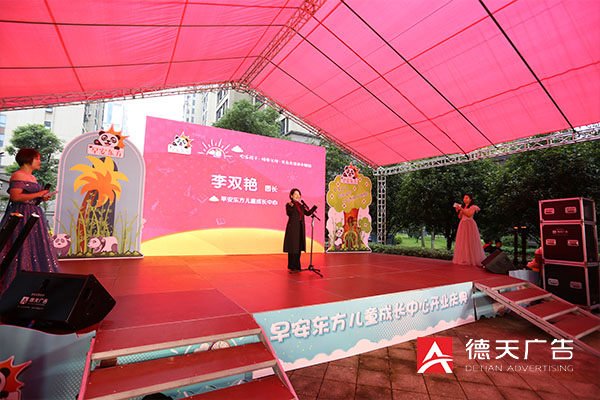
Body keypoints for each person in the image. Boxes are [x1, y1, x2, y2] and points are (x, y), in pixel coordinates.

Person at [0, 148, 59, 296]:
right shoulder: (18, 175)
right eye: (37, 158)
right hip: (21, 215)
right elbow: (15, 197)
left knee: (34, 247)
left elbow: (31, 198)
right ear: (28, 159)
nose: (39, 161)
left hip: (33, 213)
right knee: (20, 246)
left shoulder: (33, 178)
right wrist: (39, 193)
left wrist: (42, 198)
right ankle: (15, 284)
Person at [283, 188, 317, 272]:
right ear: (291, 196)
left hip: (300, 228)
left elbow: (308, 213)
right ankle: (291, 266)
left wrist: (315, 206)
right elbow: (289, 213)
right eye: (296, 194)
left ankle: (297, 265)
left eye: (299, 194)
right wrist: (292, 206)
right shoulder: (289, 204)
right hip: (292, 229)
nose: (298, 196)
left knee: (298, 246)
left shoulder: (301, 206)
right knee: (292, 247)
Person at [452, 194, 486, 266]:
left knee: (470, 241)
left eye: (467, 198)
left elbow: (469, 215)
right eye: (464, 198)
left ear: (470, 199)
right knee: (463, 241)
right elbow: (460, 217)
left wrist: (461, 209)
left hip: (469, 224)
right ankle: (463, 258)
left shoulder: (473, 207)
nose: (465, 199)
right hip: (462, 224)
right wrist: (459, 210)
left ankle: (472, 259)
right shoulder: (463, 206)